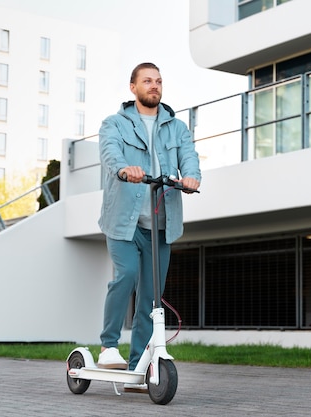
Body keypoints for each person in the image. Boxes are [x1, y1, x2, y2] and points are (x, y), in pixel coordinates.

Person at [96, 63, 201, 388]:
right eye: (147, 81)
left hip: (161, 224)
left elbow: (189, 155)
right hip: (123, 222)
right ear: (133, 88)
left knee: (152, 298)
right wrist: (125, 169)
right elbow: (109, 153)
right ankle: (108, 346)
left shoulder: (177, 127)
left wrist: (192, 177)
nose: (154, 86)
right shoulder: (114, 123)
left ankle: (138, 368)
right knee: (126, 275)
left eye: (158, 81)